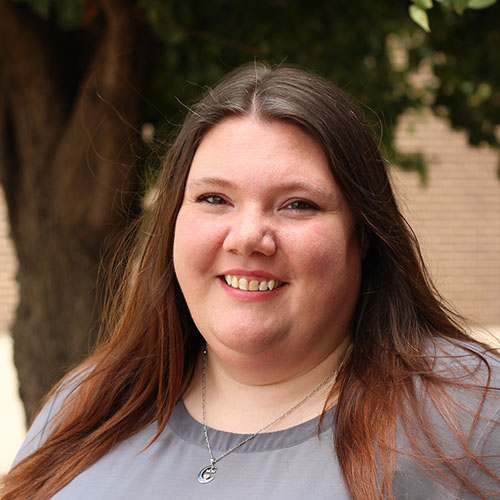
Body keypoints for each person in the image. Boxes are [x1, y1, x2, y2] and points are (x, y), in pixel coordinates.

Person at [1, 63, 499, 500]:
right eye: (215, 198)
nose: (247, 238)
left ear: (363, 234)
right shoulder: (89, 403)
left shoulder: (472, 417)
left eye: (298, 205)